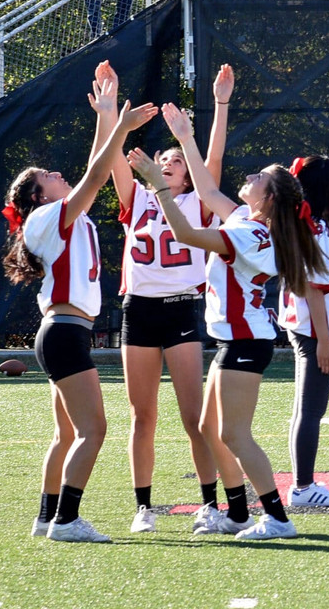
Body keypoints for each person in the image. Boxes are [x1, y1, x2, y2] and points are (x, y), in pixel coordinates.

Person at [128, 105, 326, 541]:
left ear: (268, 198)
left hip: (245, 340)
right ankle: (237, 514)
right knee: (208, 428)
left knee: (235, 434)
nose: (250, 176)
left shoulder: (251, 234)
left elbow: (186, 234)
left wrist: (158, 185)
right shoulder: (245, 219)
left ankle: (277, 518)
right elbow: (205, 188)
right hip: (233, 339)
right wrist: (185, 138)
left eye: (260, 177)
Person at [7, 71, 157, 542]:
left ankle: (46, 516)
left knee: (69, 434)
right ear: (38, 196)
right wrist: (120, 127)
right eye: (48, 177)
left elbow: (96, 167)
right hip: (65, 334)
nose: (58, 174)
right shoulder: (45, 216)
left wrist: (108, 115)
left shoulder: (59, 213)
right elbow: (96, 173)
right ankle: (67, 520)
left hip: (63, 332)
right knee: (94, 430)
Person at [105, 62, 231, 535]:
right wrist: (113, 114)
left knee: (193, 416)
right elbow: (110, 159)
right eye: (164, 159)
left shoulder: (197, 201)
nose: (169, 163)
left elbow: (212, 159)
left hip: (180, 307)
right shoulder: (137, 198)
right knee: (142, 415)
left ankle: (210, 504)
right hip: (138, 310)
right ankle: (143, 507)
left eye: (176, 160)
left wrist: (220, 104)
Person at [279, 155, 329, 509]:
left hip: (307, 325)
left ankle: (303, 484)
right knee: (311, 411)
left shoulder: (308, 223)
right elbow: (313, 287)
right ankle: (303, 486)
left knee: (305, 410)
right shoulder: (314, 227)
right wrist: (326, 340)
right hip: (313, 328)